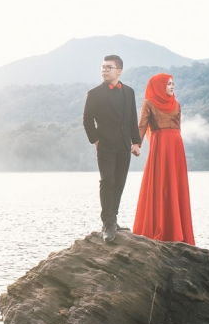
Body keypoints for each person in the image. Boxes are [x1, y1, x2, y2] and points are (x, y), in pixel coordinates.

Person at [83, 55, 141, 243]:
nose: (104, 70)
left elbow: (132, 119)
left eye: (109, 67)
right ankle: (107, 224)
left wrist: (136, 142)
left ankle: (113, 219)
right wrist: (96, 141)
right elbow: (87, 120)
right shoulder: (94, 93)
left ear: (119, 71)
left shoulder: (129, 92)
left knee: (119, 182)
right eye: (103, 67)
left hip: (124, 145)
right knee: (107, 181)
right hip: (105, 146)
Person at [132, 73, 195, 245]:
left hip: (176, 147)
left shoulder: (177, 105)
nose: (172, 86)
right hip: (160, 146)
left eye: (173, 83)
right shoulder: (148, 103)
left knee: (175, 185)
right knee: (160, 184)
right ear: (159, 86)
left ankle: (177, 232)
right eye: (168, 84)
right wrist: (137, 144)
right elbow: (142, 125)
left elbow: (178, 128)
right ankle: (158, 229)